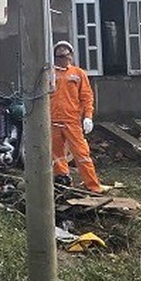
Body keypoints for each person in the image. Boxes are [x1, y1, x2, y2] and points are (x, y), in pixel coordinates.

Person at [50, 40, 103, 193]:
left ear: (71, 56)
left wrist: (88, 116)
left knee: (82, 154)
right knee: (57, 155)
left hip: (72, 121)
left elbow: (86, 96)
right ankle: (62, 181)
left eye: (66, 55)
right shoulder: (50, 74)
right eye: (60, 56)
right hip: (53, 120)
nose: (64, 59)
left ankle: (93, 186)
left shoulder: (78, 74)